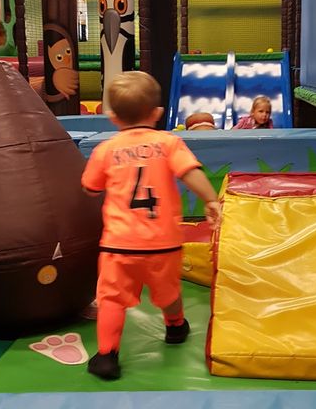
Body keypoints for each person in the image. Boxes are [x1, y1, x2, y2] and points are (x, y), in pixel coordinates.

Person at [81, 71, 221, 380]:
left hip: (119, 245)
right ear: (157, 113)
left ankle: (106, 355)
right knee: (168, 291)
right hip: (163, 243)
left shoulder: (105, 149)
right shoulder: (169, 143)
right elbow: (190, 173)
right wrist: (211, 200)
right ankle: (175, 326)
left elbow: (90, 187)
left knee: (111, 299)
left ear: (112, 117)